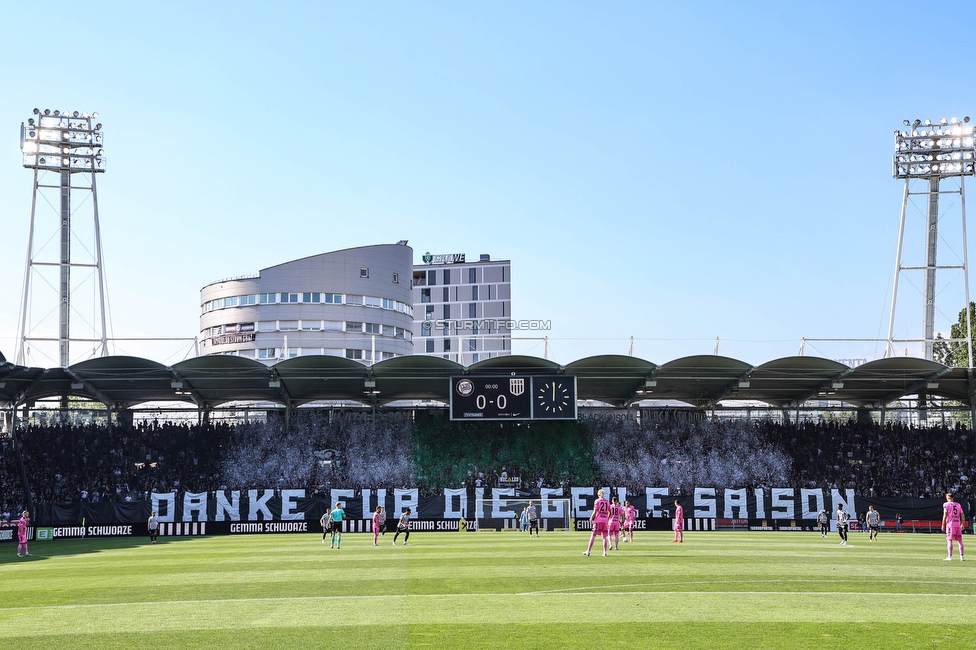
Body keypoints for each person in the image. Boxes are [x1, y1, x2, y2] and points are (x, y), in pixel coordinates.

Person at [583, 489, 611, 556]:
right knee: (604, 537)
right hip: (605, 521)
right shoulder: (607, 501)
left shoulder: (597, 501)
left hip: (598, 520)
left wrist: (591, 518)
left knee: (593, 535)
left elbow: (595, 511)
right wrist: (607, 518)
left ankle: (588, 551)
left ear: (598, 494)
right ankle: (605, 552)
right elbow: (610, 512)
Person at [942, 492, 967, 561]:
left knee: (949, 540)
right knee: (960, 541)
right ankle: (962, 556)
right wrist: (962, 524)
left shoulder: (946, 505)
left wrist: (943, 524)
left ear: (949, 498)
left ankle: (950, 556)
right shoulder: (958, 505)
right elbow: (962, 515)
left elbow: (945, 515)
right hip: (957, 524)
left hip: (950, 524)